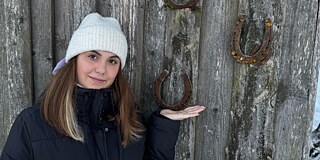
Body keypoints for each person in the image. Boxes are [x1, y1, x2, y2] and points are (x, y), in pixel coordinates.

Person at [0, 13, 205, 160]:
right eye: (93, 56)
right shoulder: (32, 124)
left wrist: (163, 127)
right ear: (74, 59)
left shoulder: (131, 123)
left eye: (112, 61)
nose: (101, 69)